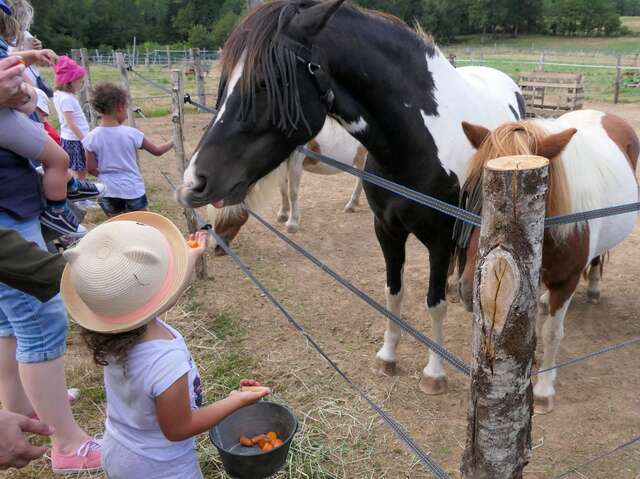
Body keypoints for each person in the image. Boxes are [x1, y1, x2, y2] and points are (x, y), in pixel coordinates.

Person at [61, 212, 270, 478]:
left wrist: (192, 255)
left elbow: (165, 296)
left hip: (118, 449)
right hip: (160, 466)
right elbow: (179, 428)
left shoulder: (116, 332)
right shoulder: (165, 359)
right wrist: (235, 401)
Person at [0, 1, 102, 474]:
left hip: (11, 200)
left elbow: (24, 94)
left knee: (9, 324)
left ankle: (21, 411)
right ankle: (67, 443)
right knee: (42, 321)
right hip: (6, 210)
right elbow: (23, 96)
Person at [84, 82, 174, 216]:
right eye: (126, 109)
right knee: (141, 223)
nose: (127, 114)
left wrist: (105, 176)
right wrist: (173, 142)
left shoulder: (91, 137)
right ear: (120, 107)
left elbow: (90, 167)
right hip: (133, 189)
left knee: (116, 226)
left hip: (108, 190)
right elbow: (157, 151)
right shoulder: (132, 134)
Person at [53, 55, 89, 181]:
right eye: (79, 81)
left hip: (74, 138)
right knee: (77, 171)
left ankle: (80, 193)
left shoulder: (60, 95)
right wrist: (84, 140)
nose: (81, 84)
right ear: (69, 81)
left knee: (81, 169)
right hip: (75, 140)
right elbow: (71, 124)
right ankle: (78, 196)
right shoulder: (66, 99)